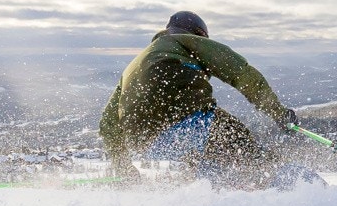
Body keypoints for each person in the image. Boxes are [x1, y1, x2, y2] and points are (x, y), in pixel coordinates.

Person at [99, 10, 299, 187]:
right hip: (188, 125)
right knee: (235, 136)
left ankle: (211, 194)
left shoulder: (132, 66)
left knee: (205, 153)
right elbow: (241, 73)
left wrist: (123, 166)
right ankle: (286, 183)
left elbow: (108, 123)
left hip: (149, 144)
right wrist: (279, 113)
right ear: (199, 34)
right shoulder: (186, 40)